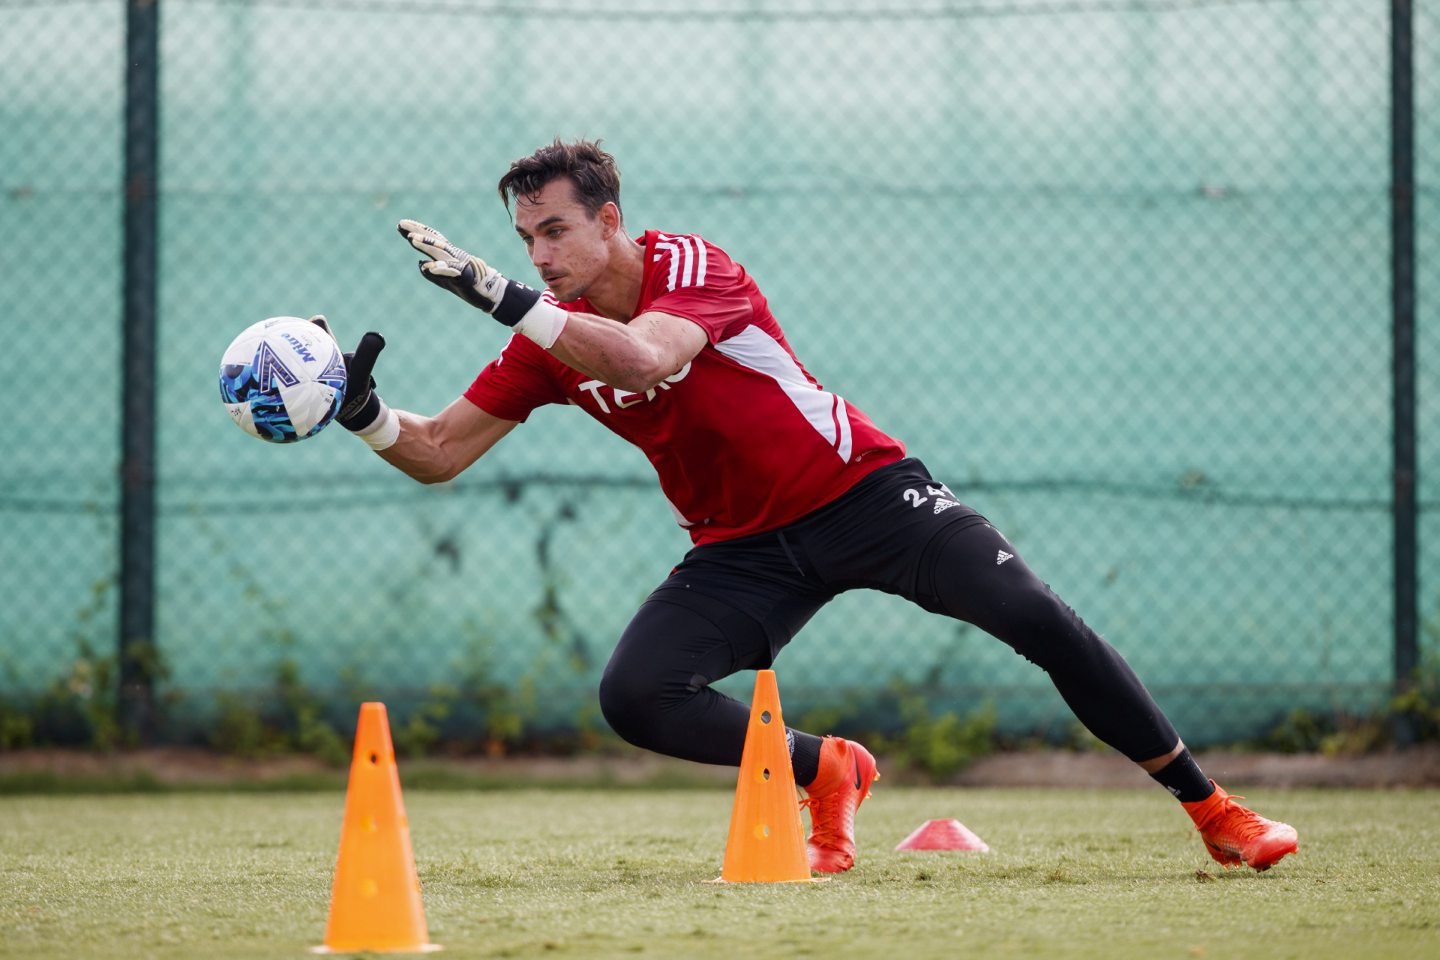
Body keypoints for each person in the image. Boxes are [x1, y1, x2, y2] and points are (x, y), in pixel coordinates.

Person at [319, 138, 1298, 874]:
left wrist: (498, 295)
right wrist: (363, 415)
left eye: (555, 230)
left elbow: (647, 357)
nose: (538, 253)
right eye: (525, 239)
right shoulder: (545, 340)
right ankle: (825, 767)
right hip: (742, 550)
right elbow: (440, 450)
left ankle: (1215, 811)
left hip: (864, 494)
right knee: (635, 695)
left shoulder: (689, 270)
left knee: (1036, 618)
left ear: (611, 220)